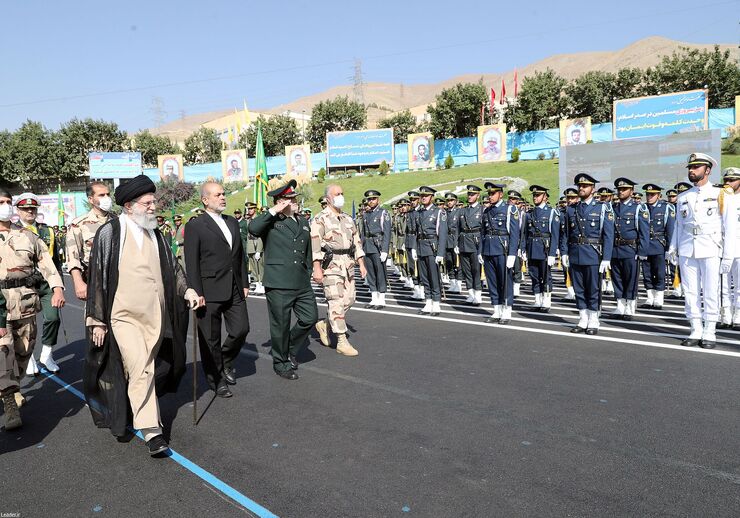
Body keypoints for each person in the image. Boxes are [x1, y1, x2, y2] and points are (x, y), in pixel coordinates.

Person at [83, 175, 201, 455]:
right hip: (123, 317)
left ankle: (135, 401)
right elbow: (98, 277)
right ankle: (152, 432)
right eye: (147, 203)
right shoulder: (110, 233)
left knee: (155, 367)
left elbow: (173, 269)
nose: (153, 207)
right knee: (141, 367)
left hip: (157, 315)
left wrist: (188, 292)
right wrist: (97, 320)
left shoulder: (156, 233)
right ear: (128, 205)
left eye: (153, 201)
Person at [0, 189, 65, 430]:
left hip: (26, 302)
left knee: (23, 351)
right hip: (0, 305)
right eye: (1, 202)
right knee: (3, 352)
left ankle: (12, 385)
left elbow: (46, 264)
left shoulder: (28, 236)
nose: (5, 206)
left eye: (8, 202)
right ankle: (10, 403)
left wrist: (58, 287)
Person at [185, 182, 250, 398]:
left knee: (241, 329)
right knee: (210, 339)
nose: (223, 197)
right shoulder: (196, 225)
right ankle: (217, 380)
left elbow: (239, 256)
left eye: (224, 194)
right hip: (208, 290)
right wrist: (195, 291)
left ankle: (225, 360)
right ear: (205, 199)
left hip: (234, 288)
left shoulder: (231, 222)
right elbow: (191, 262)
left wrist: (245, 283)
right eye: (218, 194)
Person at [248, 180, 318, 380]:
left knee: (309, 318)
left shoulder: (303, 221)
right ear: (281, 202)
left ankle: (288, 348)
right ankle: (281, 362)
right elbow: (253, 228)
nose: (295, 201)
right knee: (280, 325)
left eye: (294, 198)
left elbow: (306, 252)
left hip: (301, 281)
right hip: (278, 282)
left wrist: (310, 271)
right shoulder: (271, 221)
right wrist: (273, 210)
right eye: (290, 199)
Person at [669, 153, 736, 347]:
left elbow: (729, 227)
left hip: (711, 248)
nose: (692, 170)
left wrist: (728, 256)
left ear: (707, 170)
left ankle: (710, 331)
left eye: (696, 167)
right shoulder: (683, 197)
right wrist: (673, 248)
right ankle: (695, 329)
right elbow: (679, 226)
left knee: (710, 291)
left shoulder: (721, 194)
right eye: (690, 167)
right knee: (690, 292)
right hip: (687, 248)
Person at [311, 184, 367, 356]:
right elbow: (315, 246)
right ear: (328, 198)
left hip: (348, 264)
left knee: (349, 299)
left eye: (342, 193)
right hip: (331, 264)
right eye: (337, 194)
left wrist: (361, 263)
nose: (340, 197)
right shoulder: (320, 219)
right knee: (335, 301)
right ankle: (342, 341)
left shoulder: (348, 219)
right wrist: (317, 269)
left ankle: (325, 324)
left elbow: (356, 241)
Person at [12, 194, 64, 375]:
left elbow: (55, 261)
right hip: (24, 286)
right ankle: (29, 358)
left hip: (46, 284)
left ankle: (47, 354)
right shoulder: (11, 231)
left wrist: (59, 288)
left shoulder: (47, 231)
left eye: (33, 209)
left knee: (53, 318)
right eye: (25, 209)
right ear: (18, 211)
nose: (30, 212)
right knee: (28, 325)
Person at [560, 174, 615, 335]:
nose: (581, 188)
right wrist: (564, 252)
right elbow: (566, 234)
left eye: (585, 186)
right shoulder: (571, 209)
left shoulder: (602, 208)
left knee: (593, 288)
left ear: (593, 189)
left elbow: (608, 235)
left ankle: (593, 319)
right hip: (576, 253)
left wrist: (606, 257)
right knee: (579, 288)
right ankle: (583, 318)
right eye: (579, 186)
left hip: (593, 254)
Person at [608, 178, 650, 321]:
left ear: (631, 191)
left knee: (630, 279)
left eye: (624, 189)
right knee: (617, 279)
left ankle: (630, 306)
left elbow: (644, 233)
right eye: (619, 189)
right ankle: (620, 304)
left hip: (631, 249)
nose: (621, 192)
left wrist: (642, 251)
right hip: (615, 249)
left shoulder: (638, 208)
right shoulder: (612, 208)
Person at [66, 182, 115, 301]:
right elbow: (73, 257)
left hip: (118, 280)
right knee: (95, 318)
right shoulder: (79, 224)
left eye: (108, 194)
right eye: (101, 195)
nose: (106, 198)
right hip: (94, 280)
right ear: (91, 199)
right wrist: (79, 283)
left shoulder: (119, 222)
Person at [479, 182, 519, 324]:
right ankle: (496, 309)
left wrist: (512, 254)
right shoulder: (487, 211)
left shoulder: (510, 209)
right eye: (489, 194)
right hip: (489, 250)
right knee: (492, 282)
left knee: (505, 282)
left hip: (503, 251)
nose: (490, 196)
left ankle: (507, 311)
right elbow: (483, 233)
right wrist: (480, 251)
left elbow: (514, 234)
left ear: (501, 194)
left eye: (493, 193)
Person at [523, 185, 560, 312]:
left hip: (545, 248)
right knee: (534, 275)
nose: (535, 198)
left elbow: (555, 235)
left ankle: (547, 301)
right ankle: (537, 300)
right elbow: (525, 234)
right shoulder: (529, 214)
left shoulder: (551, 213)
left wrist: (552, 253)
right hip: (532, 247)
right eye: (534, 195)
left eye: (537, 195)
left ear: (545, 197)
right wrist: (523, 249)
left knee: (546, 276)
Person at [412, 186, 447, 316]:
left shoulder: (439, 212)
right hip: (421, 246)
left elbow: (442, 234)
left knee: (434, 276)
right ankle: (428, 301)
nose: (423, 198)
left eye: (426, 196)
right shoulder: (419, 212)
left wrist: (440, 253)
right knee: (424, 277)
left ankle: (436, 302)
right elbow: (416, 232)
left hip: (433, 247)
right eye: (422, 196)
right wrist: (414, 248)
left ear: (432, 197)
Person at [639, 184, 675, 310]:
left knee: (659, 273)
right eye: (647, 194)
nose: (649, 197)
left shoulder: (666, 208)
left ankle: (659, 298)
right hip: (644, 245)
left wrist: (669, 249)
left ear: (659, 195)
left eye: (652, 195)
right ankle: (650, 298)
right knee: (647, 273)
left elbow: (670, 230)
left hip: (659, 245)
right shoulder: (641, 208)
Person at [360, 190, 391, 310]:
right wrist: (361, 247)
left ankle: (382, 298)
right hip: (368, 246)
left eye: (373, 199)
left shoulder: (383, 213)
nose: (371, 201)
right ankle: (374, 297)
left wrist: (385, 250)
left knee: (380, 272)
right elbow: (363, 233)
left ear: (378, 200)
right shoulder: (366, 214)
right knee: (371, 273)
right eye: (369, 199)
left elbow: (387, 233)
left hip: (378, 246)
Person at [719, 167, 740, 329]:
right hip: (722, 245)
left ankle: (738, 315)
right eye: (726, 180)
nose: (728, 183)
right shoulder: (720, 197)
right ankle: (725, 315)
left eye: (732, 180)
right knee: (723, 285)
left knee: (739, 284)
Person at [456, 185, 484, 305]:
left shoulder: (482, 210)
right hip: (463, 242)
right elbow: (457, 228)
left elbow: (484, 230)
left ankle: (478, 294)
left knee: (476, 270)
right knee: (466, 270)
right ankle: (470, 293)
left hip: (476, 242)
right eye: (469, 194)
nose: (470, 196)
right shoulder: (462, 210)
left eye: (472, 194)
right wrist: (456, 243)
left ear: (478, 196)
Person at [240, 202, 264, 295]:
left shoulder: (259, 219)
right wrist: (247, 249)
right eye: (248, 209)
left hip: (257, 243)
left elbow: (261, 236)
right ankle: (258, 284)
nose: (249, 210)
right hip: (250, 244)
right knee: (254, 267)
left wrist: (259, 250)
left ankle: (262, 284)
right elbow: (247, 235)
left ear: (255, 209)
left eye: (251, 209)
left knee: (260, 267)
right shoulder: (249, 220)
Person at [404, 191, 423, 299]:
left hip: (418, 241)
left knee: (420, 267)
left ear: (419, 200)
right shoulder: (409, 213)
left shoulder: (421, 212)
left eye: (414, 199)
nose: (412, 202)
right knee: (411, 267)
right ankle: (416, 289)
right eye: (411, 200)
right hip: (409, 241)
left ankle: (422, 288)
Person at [443, 193, 462, 293]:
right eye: (448, 201)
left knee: (457, 263)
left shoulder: (458, 212)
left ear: (455, 201)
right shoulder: (444, 212)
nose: (449, 202)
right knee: (449, 263)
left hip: (455, 239)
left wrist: (458, 243)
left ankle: (458, 284)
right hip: (447, 240)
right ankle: (452, 282)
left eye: (451, 200)